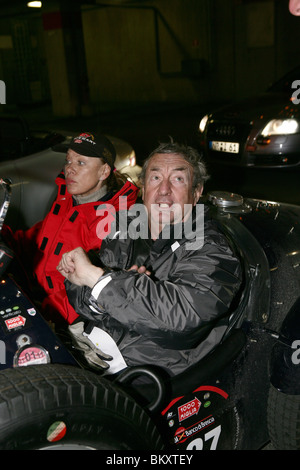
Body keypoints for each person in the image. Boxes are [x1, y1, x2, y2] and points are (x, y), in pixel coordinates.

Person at [57, 141, 242, 376]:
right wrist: (109, 290)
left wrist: (102, 281)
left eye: (177, 179)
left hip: (150, 374)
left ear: (196, 193)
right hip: (96, 351)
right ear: (143, 188)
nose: (164, 190)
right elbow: (79, 289)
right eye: (155, 178)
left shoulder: (212, 249)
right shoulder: (127, 226)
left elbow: (180, 320)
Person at [4, 132, 139, 326]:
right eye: (68, 161)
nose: (70, 169)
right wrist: (6, 236)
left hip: (64, 319)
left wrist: (44, 314)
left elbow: (88, 293)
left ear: (104, 172)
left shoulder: (112, 221)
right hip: (33, 297)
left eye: (81, 163)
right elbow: (35, 241)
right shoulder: (67, 201)